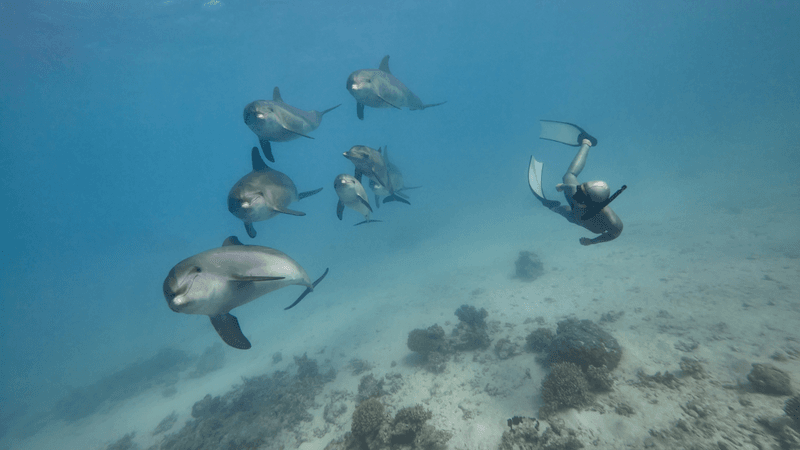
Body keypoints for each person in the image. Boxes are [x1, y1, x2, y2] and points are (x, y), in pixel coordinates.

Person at [528, 121, 624, 246]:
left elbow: (615, 233)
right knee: (568, 176)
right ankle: (587, 142)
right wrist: (563, 186)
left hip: (584, 221)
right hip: (580, 212)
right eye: (580, 187)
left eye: (580, 192)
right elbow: (576, 189)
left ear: (592, 202)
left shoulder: (611, 220)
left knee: (565, 213)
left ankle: (552, 206)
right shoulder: (578, 192)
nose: (575, 190)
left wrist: (592, 241)